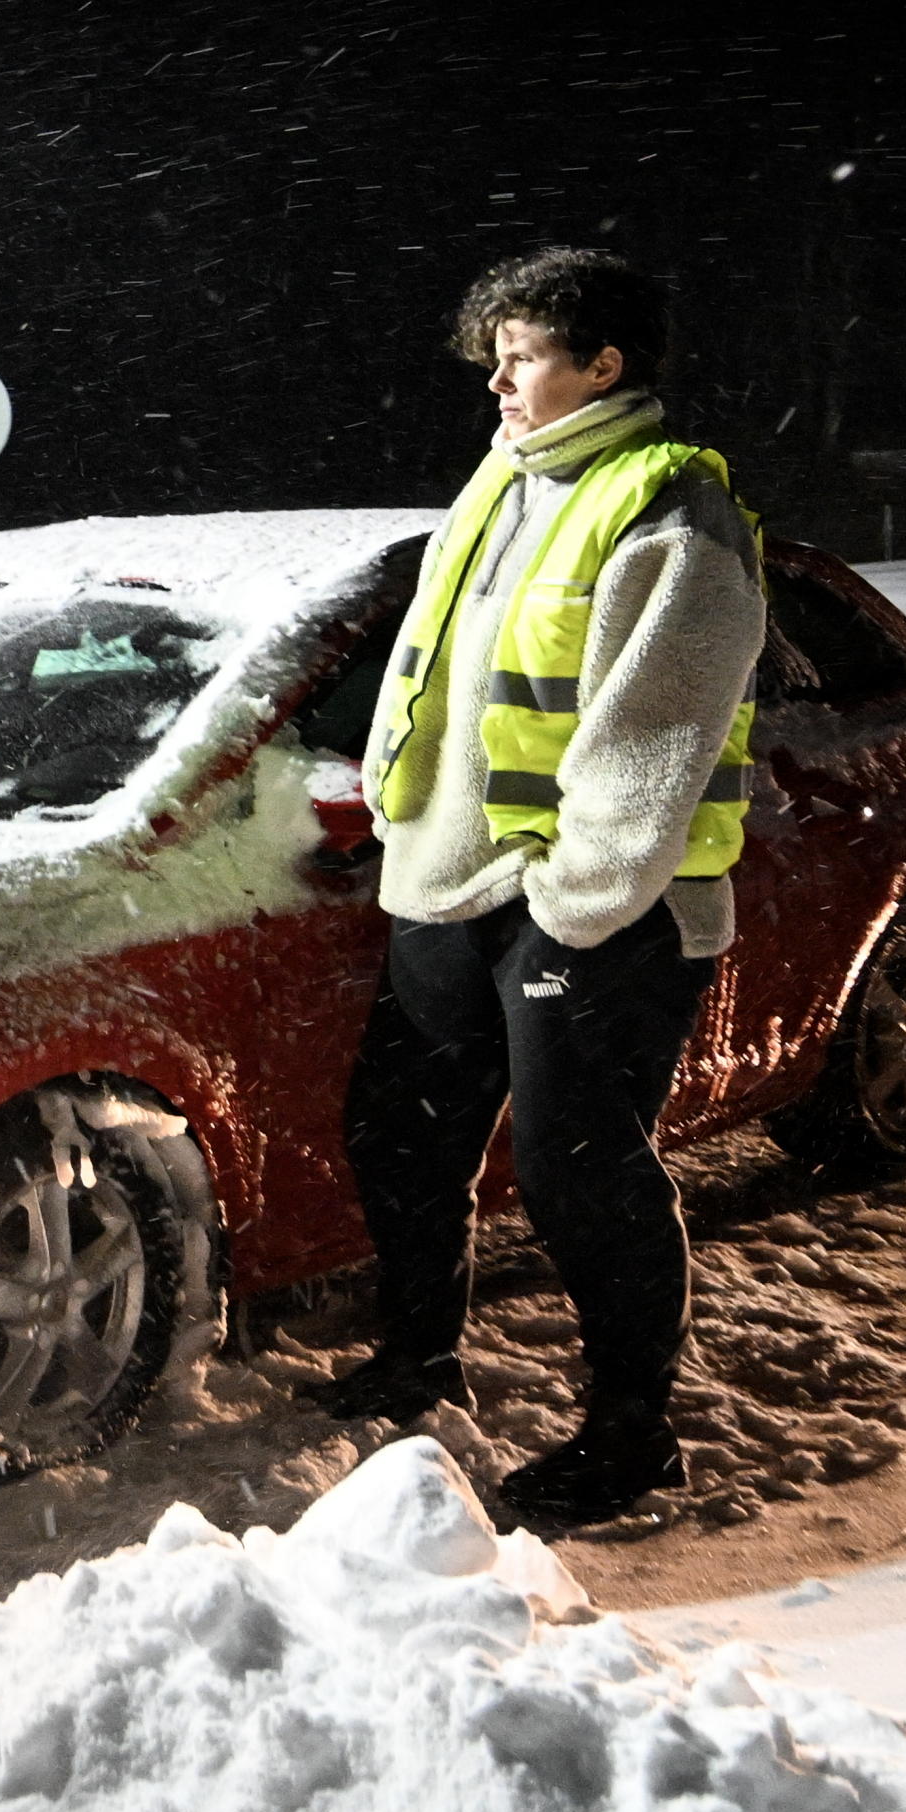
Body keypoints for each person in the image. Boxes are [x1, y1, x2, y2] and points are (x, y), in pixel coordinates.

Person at [319, 248, 771, 1529]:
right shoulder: (504, 484)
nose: (498, 383)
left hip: (596, 904)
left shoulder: (671, 510)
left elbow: (654, 733)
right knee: (397, 1127)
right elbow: (433, 666)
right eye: (496, 357)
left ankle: (631, 1438)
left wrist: (576, 905)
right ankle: (417, 1359)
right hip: (457, 879)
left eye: (522, 357)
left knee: (580, 1176)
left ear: (604, 366)